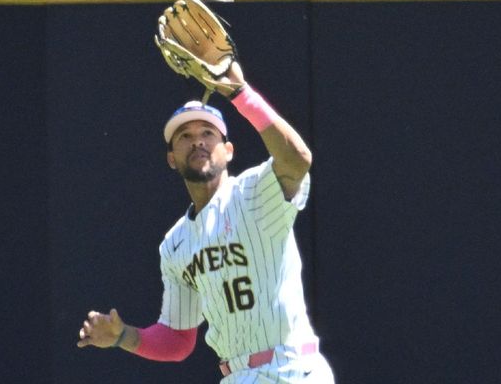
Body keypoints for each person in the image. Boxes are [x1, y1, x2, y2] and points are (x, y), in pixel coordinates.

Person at [77, 62, 335, 383]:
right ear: (172, 158)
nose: (197, 141)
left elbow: (297, 159)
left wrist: (241, 95)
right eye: (185, 136)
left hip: (291, 368)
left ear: (228, 151)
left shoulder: (254, 191)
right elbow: (178, 340)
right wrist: (122, 336)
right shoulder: (175, 244)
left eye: (208, 133)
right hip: (238, 375)